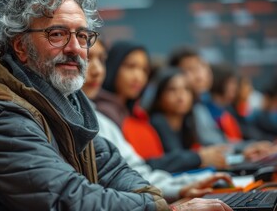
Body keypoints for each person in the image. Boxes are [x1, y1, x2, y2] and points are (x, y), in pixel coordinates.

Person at [0, 0, 232, 211]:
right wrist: (159, 208)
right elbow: (69, 200)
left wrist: (154, 202)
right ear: (20, 47)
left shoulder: (63, 104)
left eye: (82, 36)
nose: (75, 48)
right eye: (57, 34)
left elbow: (114, 170)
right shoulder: (4, 117)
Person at [82, 38, 233, 203]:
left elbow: (136, 170)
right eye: (131, 67)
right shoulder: (100, 116)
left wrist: (181, 186)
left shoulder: (131, 115)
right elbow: (124, 176)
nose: (138, 76)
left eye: (144, 69)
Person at [147, 67, 228, 170]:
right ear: (159, 96)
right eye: (172, 89)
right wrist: (200, 157)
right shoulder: (157, 121)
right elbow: (171, 157)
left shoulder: (188, 122)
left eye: (186, 89)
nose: (181, 95)